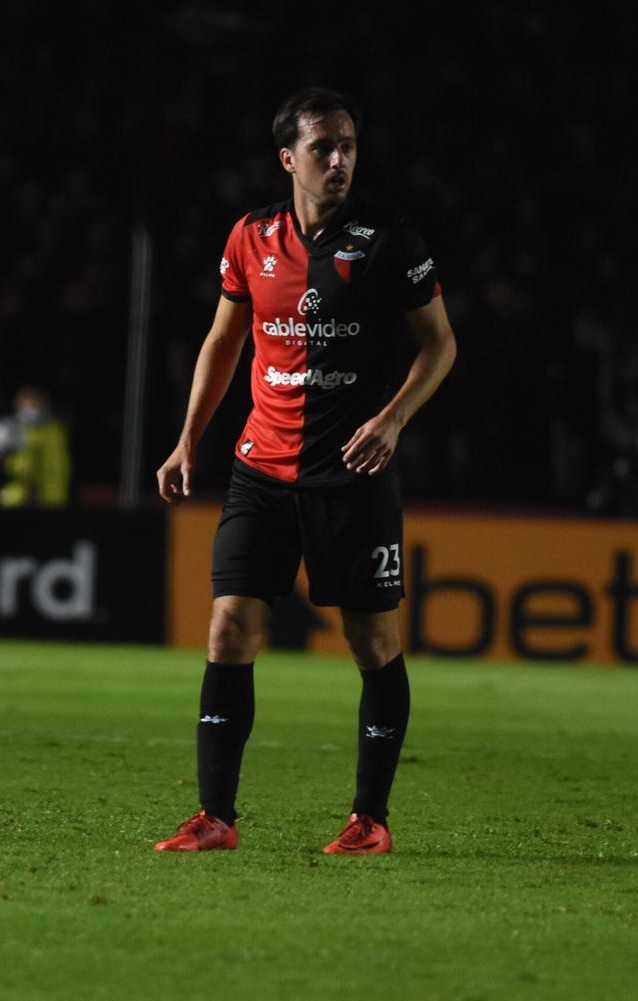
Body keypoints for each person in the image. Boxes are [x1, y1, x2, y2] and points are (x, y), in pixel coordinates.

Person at [153, 86, 457, 854]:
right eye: (323, 146)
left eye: (348, 144)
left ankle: (369, 819)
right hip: (260, 470)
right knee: (229, 629)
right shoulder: (250, 237)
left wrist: (391, 418)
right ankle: (216, 817)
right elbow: (225, 343)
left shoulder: (390, 238)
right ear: (288, 157)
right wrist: (189, 439)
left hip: (350, 474)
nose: (339, 158)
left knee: (372, 643)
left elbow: (441, 344)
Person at [0, 386, 72, 507]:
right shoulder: (9, 429)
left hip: (51, 499)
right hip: (17, 498)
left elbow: (58, 467)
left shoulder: (55, 431)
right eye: (25, 404)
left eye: (34, 404)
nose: (30, 409)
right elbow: (0, 466)